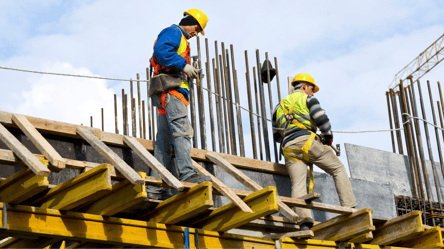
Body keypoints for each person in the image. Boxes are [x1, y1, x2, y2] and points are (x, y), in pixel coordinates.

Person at [272, 73, 356, 230]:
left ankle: (304, 221)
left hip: (289, 148)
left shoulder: (278, 107)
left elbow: (276, 136)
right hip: (308, 142)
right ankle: (350, 208)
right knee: (338, 169)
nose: (312, 92)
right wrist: (328, 137)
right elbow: (322, 119)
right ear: (304, 86)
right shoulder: (308, 99)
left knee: (297, 184)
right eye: (311, 89)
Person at [147, 9, 211, 200]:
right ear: (189, 22)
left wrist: (186, 71)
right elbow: (161, 51)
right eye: (196, 29)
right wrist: (183, 66)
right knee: (183, 132)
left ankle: (154, 187)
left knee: (164, 143)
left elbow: (168, 58)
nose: (196, 33)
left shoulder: (181, 40)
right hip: (172, 93)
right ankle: (187, 173)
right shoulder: (175, 32)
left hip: (168, 94)